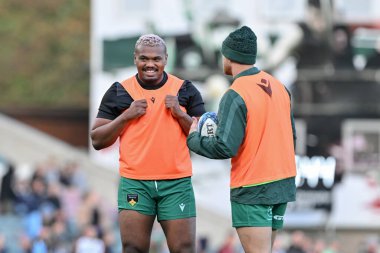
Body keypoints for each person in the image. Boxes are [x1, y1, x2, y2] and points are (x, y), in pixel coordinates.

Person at [90, 34, 206, 253]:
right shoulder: (119, 91)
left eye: (156, 59)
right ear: (135, 58)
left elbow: (204, 137)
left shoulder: (185, 89)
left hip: (176, 183)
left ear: (166, 59)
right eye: (144, 58)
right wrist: (126, 116)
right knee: (133, 248)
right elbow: (96, 139)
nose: (150, 64)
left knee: (184, 248)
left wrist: (180, 114)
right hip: (135, 183)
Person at [187, 26, 297, 253]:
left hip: (253, 187)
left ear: (228, 57)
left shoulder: (235, 93)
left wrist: (194, 138)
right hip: (282, 183)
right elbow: (291, 136)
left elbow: (224, 146)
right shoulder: (280, 87)